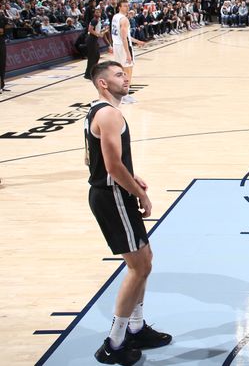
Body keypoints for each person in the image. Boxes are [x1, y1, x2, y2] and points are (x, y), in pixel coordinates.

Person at [85, 61, 171, 365]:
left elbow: (90, 160)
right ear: (103, 83)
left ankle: (135, 328)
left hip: (112, 192)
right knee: (138, 267)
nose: (126, 78)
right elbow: (111, 167)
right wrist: (139, 192)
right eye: (119, 75)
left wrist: (132, 178)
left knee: (144, 262)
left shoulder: (97, 112)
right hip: (112, 197)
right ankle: (114, 342)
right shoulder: (109, 113)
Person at [110, 0, 145, 104]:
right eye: (125, 6)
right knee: (128, 71)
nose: (127, 8)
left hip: (117, 46)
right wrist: (128, 54)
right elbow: (124, 38)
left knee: (120, 71)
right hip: (123, 47)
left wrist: (137, 41)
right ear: (119, 7)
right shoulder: (124, 19)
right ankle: (125, 95)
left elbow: (124, 36)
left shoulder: (115, 17)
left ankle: (118, 93)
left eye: (127, 6)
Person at [85, 8, 107, 80]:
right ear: (94, 13)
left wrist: (103, 31)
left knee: (96, 56)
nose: (98, 13)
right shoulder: (94, 20)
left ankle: (91, 73)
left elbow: (97, 30)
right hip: (91, 39)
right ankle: (89, 74)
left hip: (94, 39)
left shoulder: (98, 20)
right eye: (96, 12)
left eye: (99, 12)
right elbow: (90, 29)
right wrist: (98, 34)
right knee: (93, 57)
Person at [0, 8, 8, 93]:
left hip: (1, 43)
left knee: (2, 64)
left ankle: (1, 85)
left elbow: (8, 28)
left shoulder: (3, 18)